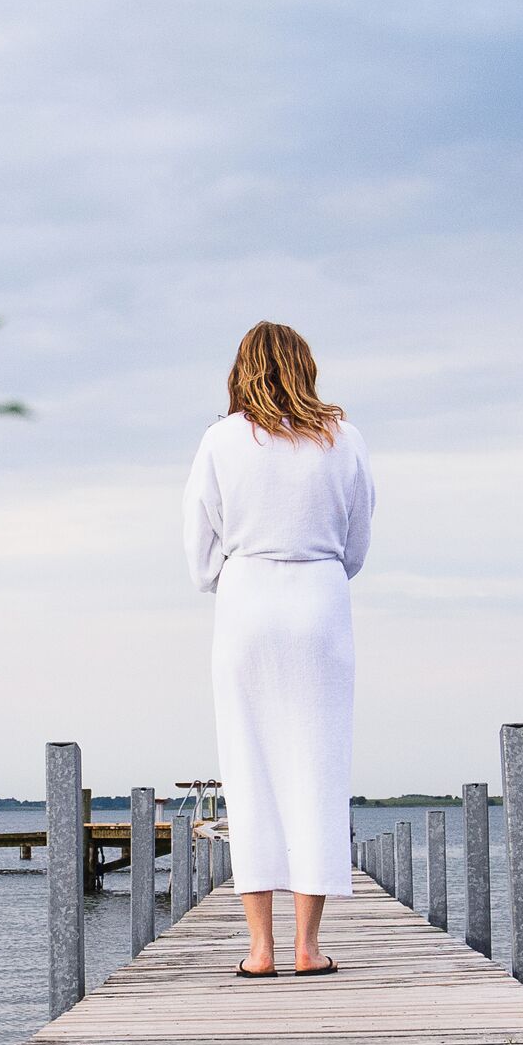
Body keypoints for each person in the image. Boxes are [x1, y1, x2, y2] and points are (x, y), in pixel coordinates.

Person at [183, 321, 374, 979]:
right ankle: (307, 947)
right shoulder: (343, 440)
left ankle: (260, 949)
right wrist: (317, 570)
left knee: (250, 770)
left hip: (247, 605)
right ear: (305, 367)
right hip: (319, 603)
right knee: (318, 772)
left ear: (242, 370)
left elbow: (198, 551)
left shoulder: (219, 441)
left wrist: (234, 577)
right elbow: (357, 543)